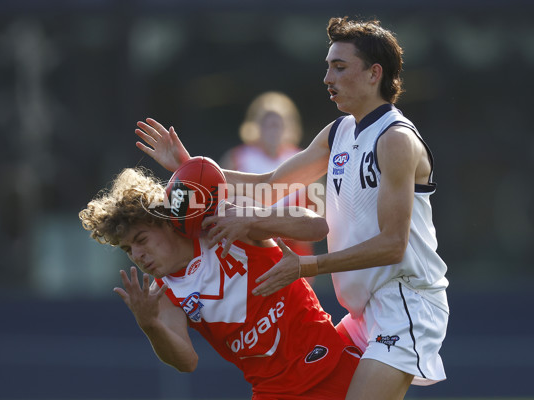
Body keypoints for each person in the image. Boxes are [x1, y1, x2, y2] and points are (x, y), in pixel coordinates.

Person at [133, 16, 449, 400]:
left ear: (374, 74)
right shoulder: (340, 131)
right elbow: (270, 186)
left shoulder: (396, 139)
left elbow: (392, 246)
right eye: (327, 66)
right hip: (365, 310)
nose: (327, 78)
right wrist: (192, 168)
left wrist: (304, 266)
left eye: (340, 66)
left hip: (406, 300)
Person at [78, 167, 361, 400]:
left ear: (165, 221)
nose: (137, 255)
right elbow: (187, 361)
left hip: (333, 364)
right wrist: (150, 325)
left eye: (141, 240)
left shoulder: (224, 221)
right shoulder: (163, 294)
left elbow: (316, 227)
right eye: (128, 250)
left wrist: (253, 216)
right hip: (275, 392)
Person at [219, 91, 314, 257]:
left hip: (291, 247)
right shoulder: (238, 157)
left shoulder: (300, 158)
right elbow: (222, 199)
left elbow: (315, 207)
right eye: (268, 124)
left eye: (278, 125)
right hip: (248, 245)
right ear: (256, 126)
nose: (273, 130)